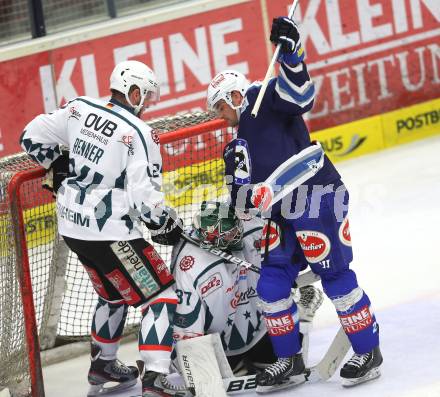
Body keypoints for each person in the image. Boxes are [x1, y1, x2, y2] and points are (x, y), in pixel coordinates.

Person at [206, 16, 383, 393]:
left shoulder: (266, 97)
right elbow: (240, 201)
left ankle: (369, 351)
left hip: (317, 198)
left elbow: (302, 95)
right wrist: (248, 197)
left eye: (220, 108)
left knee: (335, 276)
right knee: (271, 284)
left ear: (235, 97)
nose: (219, 118)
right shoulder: (236, 144)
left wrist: (291, 50)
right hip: (281, 215)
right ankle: (288, 359)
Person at [20, 60, 183, 397]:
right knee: (161, 296)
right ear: (134, 91)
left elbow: (29, 136)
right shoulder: (139, 133)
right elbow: (144, 198)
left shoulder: (79, 108)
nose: (148, 102)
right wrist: (161, 222)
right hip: (111, 233)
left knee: (112, 293)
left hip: (73, 228)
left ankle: (103, 363)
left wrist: (56, 162)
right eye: (146, 95)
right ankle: (155, 377)